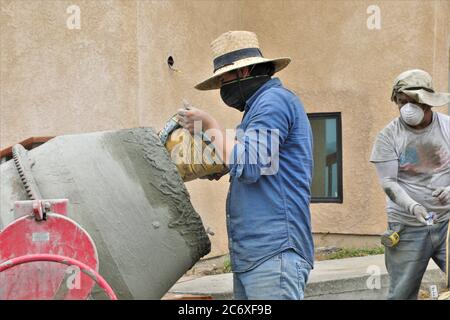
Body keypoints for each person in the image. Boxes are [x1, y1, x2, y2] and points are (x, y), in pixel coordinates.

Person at [176, 31, 314, 300]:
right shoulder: (257, 110)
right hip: (258, 255)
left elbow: (249, 165)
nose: (222, 87)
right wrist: (203, 143)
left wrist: (210, 125)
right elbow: (235, 159)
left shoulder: (273, 103)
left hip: (274, 254)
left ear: (245, 71)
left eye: (223, 78)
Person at [370, 69, 450, 299]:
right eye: (402, 101)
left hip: (447, 225)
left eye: (412, 101)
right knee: (402, 293)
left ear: (428, 103)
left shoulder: (447, 127)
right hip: (406, 227)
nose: (407, 108)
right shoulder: (389, 136)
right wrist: (413, 207)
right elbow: (388, 182)